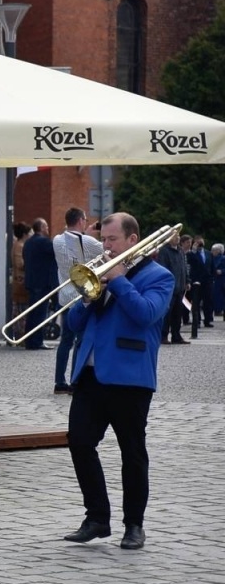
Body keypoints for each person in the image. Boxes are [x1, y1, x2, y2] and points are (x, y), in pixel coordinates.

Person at [62, 213, 172, 551]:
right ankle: (97, 517)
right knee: (79, 442)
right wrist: (86, 298)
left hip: (130, 377)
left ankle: (134, 525)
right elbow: (74, 324)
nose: (105, 246)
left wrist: (120, 280)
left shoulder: (159, 276)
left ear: (132, 239)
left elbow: (146, 315)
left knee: (132, 453)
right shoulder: (98, 275)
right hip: (91, 375)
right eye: (104, 240)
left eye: (112, 240)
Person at [52, 208, 102, 394]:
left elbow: (75, 247)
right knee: (80, 341)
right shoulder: (89, 242)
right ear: (81, 220)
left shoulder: (57, 241)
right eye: (85, 219)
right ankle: (75, 381)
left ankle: (59, 381)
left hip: (64, 296)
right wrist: (90, 233)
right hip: (81, 297)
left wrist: (85, 232)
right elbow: (107, 252)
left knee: (65, 341)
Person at [21, 219, 57, 350]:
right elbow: (57, 254)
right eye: (46, 226)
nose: (48, 228)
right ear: (41, 227)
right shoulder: (44, 242)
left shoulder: (28, 242)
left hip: (31, 281)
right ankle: (37, 341)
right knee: (40, 313)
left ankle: (29, 340)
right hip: (42, 282)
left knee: (32, 313)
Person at [157, 231, 187, 345]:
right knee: (167, 314)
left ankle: (176, 335)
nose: (178, 238)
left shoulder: (180, 251)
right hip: (170, 287)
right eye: (175, 236)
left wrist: (187, 280)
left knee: (177, 314)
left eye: (179, 236)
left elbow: (183, 267)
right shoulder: (164, 251)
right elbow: (163, 267)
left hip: (180, 286)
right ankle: (163, 336)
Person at [187, 235, 210, 337]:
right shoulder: (192, 254)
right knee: (195, 303)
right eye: (198, 243)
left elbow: (210, 265)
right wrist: (194, 250)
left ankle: (208, 320)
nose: (200, 244)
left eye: (201, 242)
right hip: (196, 281)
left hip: (207, 280)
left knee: (208, 301)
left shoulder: (208, 253)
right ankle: (197, 322)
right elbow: (192, 262)